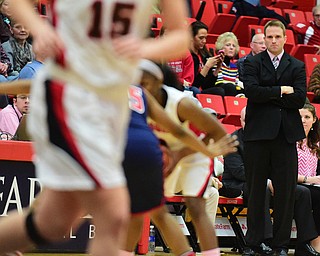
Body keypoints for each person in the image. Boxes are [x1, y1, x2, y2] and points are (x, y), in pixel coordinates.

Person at [0, 1, 191, 256]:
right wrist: (40, 29)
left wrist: (144, 47)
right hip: (67, 97)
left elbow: (181, 36)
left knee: (54, 222)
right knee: (113, 213)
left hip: (110, 110)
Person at [121, 84, 238, 256]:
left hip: (195, 151)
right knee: (153, 209)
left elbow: (208, 132)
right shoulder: (138, 100)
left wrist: (199, 153)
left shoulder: (180, 103)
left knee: (196, 206)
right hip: (166, 155)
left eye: (146, 82)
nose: (144, 86)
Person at [243, 20, 306, 256]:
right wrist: (281, 90)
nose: (273, 41)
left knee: (286, 194)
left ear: (285, 38)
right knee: (256, 192)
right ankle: (253, 243)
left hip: (285, 136)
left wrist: (267, 94)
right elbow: (252, 91)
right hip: (257, 136)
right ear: (264, 39)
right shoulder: (252, 62)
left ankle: (280, 245)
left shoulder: (297, 65)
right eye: (269, 37)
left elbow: (299, 99)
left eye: (277, 37)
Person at [220, 107, 320, 256]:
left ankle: (303, 243)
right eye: (246, 119)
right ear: (241, 121)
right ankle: (264, 241)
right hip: (240, 184)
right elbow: (239, 171)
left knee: (302, 192)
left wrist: (275, 179)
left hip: (268, 182)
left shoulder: (266, 139)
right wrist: (267, 181)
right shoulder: (233, 140)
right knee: (262, 188)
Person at [296, 103, 320, 246]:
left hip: (311, 186)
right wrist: (309, 179)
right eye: (300, 117)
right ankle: (314, 242)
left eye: (307, 117)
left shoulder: (315, 144)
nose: (303, 120)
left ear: (314, 120)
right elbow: (284, 173)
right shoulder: (289, 141)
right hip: (294, 185)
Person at [189, 21, 224, 95]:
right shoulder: (188, 56)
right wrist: (207, 67)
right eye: (201, 38)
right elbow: (193, 85)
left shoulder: (204, 55)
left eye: (205, 38)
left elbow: (208, 86)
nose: (204, 41)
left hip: (202, 91)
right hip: (191, 91)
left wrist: (218, 68)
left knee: (226, 88)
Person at [205, 32, 241, 97]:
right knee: (229, 87)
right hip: (215, 91)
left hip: (230, 91)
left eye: (233, 46)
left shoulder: (234, 67)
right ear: (221, 47)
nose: (231, 48)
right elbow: (211, 84)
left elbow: (236, 84)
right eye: (228, 45)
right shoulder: (213, 62)